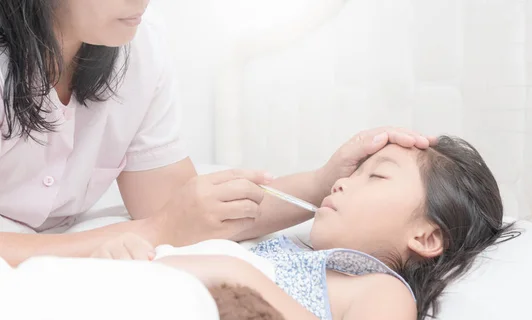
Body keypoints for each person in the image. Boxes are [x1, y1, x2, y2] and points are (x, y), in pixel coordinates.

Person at [0, 0, 436, 266]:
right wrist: (154, 231)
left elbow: (186, 211)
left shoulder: (138, 47)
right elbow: (165, 222)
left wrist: (322, 184)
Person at [94, 135, 517, 320]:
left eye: (377, 178)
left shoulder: (377, 289)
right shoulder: (279, 248)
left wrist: (244, 279)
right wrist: (130, 256)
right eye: (356, 172)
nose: (340, 183)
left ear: (425, 237)